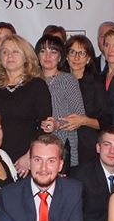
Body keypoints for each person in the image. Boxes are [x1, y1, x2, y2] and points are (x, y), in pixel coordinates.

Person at [0, 34, 52, 177]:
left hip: (27, 160)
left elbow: (45, 127)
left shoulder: (37, 86)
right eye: (5, 52)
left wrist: (30, 156)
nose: (9, 56)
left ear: (26, 56)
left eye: (15, 51)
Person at [61, 35, 112, 165]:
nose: (76, 57)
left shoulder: (96, 84)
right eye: (72, 52)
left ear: (88, 58)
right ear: (66, 56)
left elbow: (106, 121)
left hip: (87, 147)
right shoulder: (58, 80)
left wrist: (83, 120)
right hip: (61, 144)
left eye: (82, 53)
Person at [36, 34, 85, 168]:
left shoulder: (68, 80)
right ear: (37, 56)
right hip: (36, 145)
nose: (47, 56)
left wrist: (57, 124)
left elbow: (79, 116)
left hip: (63, 142)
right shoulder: (30, 80)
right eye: (43, 51)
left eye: (53, 52)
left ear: (60, 57)